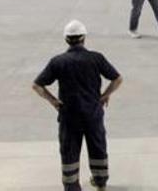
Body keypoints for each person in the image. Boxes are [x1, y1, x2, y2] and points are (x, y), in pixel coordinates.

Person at [33, 20, 122, 191]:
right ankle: (100, 181)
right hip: (93, 114)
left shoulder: (58, 61)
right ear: (84, 38)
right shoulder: (96, 58)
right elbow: (117, 79)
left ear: (66, 39)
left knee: (70, 151)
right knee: (97, 147)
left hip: (69, 116)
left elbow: (37, 85)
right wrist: (105, 95)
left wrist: (53, 101)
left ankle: (72, 186)